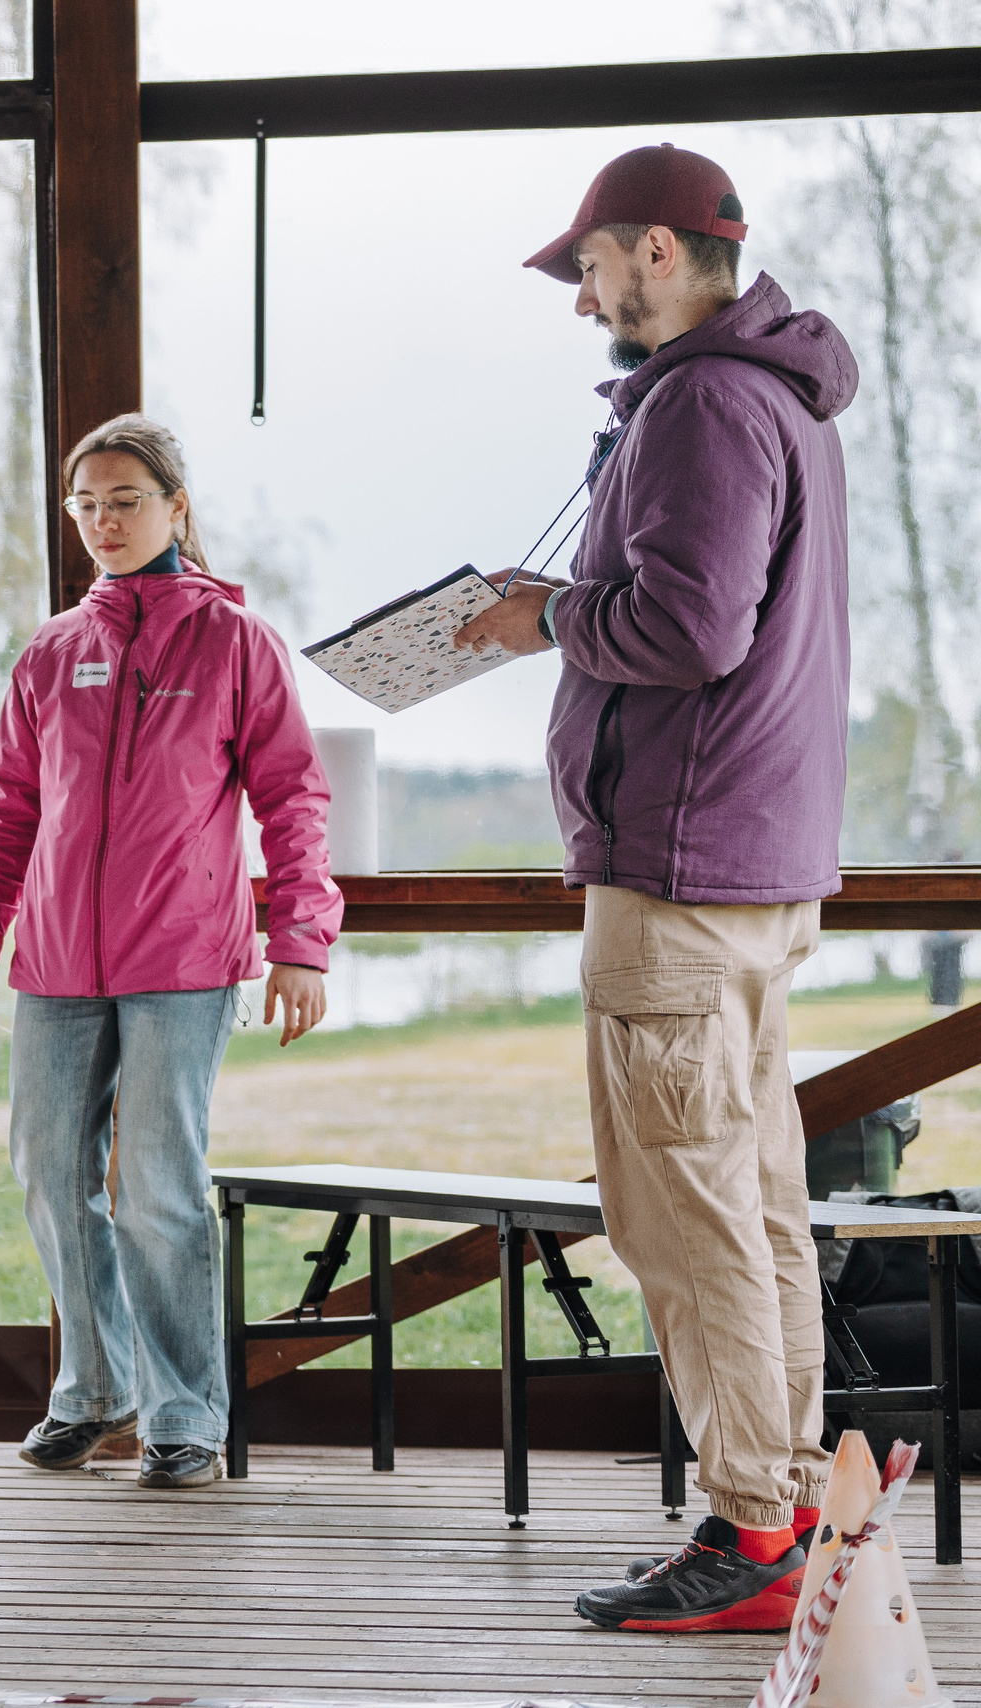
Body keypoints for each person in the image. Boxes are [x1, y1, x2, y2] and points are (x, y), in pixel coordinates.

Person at [452, 144, 858, 1632]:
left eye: (594, 270)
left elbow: (687, 632)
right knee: (750, 1207)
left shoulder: (700, 399)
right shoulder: (784, 402)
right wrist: (561, 603)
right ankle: (789, 1505)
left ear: (663, 253)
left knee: (683, 1221)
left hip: (679, 874)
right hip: (753, 866)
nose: (582, 302)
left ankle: (753, 1533)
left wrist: (543, 615)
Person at [0, 414, 340, 1489]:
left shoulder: (233, 643)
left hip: (184, 961)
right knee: (47, 1174)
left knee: (158, 1186)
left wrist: (300, 938)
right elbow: (9, 811)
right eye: (86, 505)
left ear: (175, 507)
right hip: (57, 961)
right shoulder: (52, 652)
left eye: (124, 500)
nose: (103, 522)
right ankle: (94, 1389)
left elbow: (293, 796)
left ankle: (183, 1415)